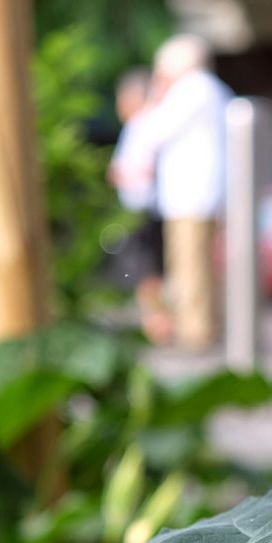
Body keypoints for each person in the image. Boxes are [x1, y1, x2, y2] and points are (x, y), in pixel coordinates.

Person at [132, 34, 232, 350]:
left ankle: (195, 332)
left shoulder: (191, 89)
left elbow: (152, 130)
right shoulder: (216, 90)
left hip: (191, 197)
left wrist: (155, 97)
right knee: (203, 268)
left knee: (190, 268)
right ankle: (207, 328)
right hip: (206, 195)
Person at [108, 68, 171, 344]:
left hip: (143, 209)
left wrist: (121, 174)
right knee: (144, 272)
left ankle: (158, 324)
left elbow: (146, 168)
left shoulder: (145, 124)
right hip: (140, 209)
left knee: (147, 273)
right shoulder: (138, 124)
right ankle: (155, 322)